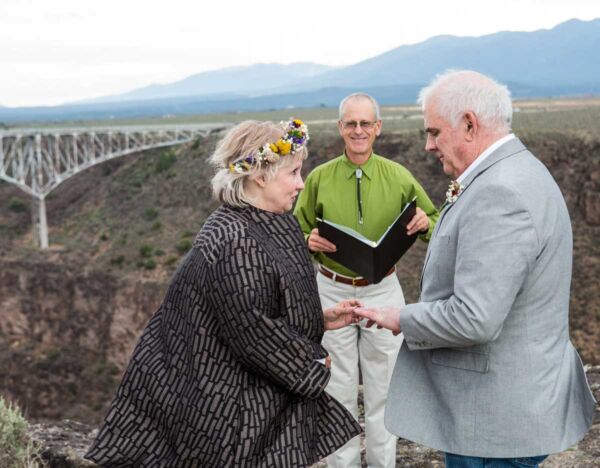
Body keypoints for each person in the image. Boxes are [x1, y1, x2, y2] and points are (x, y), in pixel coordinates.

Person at [85, 119, 362, 467]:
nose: (300, 183)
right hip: (218, 402)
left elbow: (255, 305)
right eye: (293, 172)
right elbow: (253, 331)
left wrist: (318, 319)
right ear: (260, 176)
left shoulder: (271, 222)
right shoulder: (234, 239)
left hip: (242, 393)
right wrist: (313, 361)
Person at [354, 70, 596, 468]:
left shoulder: (500, 193)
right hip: (504, 411)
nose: (428, 146)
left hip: (493, 423)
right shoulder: (518, 169)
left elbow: (474, 319)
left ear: (469, 123)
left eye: (434, 131)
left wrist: (400, 317)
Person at [293, 93, 439, 467]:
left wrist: (426, 224)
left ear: (378, 128)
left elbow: (439, 220)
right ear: (340, 127)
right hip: (329, 289)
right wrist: (308, 241)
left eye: (365, 123)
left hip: (383, 290)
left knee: (384, 390)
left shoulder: (399, 176)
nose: (358, 131)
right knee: (337, 390)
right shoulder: (318, 179)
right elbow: (291, 234)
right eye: (351, 124)